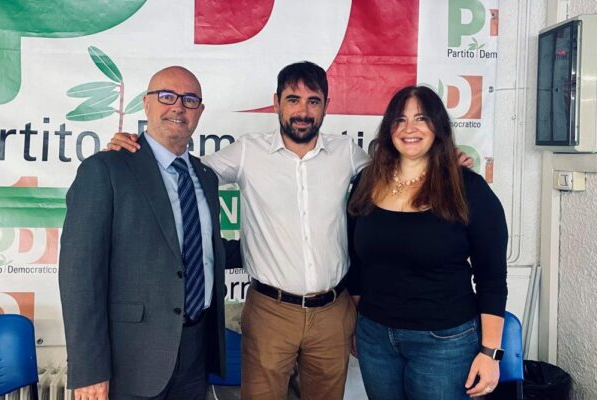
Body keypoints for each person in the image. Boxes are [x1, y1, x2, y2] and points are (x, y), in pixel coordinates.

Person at [106, 62, 474, 400]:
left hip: (332, 311)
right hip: (270, 311)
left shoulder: (346, 152)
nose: (303, 110)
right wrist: (139, 152)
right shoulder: (248, 152)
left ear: (326, 105)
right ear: (277, 103)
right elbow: (180, 173)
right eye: (293, 99)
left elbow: (398, 173)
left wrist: (443, 163)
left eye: (313, 101)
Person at [59, 66, 240, 400]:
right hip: (131, 360)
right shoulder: (107, 169)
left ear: (200, 111)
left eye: (189, 100)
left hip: (196, 353)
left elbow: (203, 251)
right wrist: (89, 370)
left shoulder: (205, 177)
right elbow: (79, 276)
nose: (178, 107)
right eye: (167, 96)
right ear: (146, 103)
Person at [346, 85, 508, 400]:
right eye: (400, 119)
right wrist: (359, 323)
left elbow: (491, 279)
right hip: (375, 337)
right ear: (389, 128)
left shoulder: (468, 189)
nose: (410, 128)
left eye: (421, 118)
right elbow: (356, 262)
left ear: (438, 127)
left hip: (444, 342)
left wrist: (490, 353)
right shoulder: (366, 183)